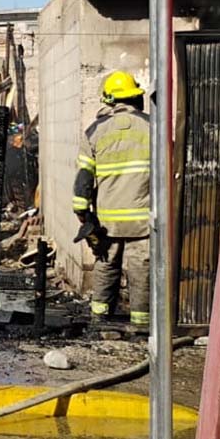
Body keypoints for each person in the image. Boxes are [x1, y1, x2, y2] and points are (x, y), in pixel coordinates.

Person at [72, 70, 151, 325]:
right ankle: (142, 323)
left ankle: (99, 318)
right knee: (142, 269)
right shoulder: (153, 127)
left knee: (106, 265)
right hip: (144, 217)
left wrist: (82, 213)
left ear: (109, 100)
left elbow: (84, 177)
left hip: (108, 220)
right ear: (135, 98)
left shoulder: (94, 132)